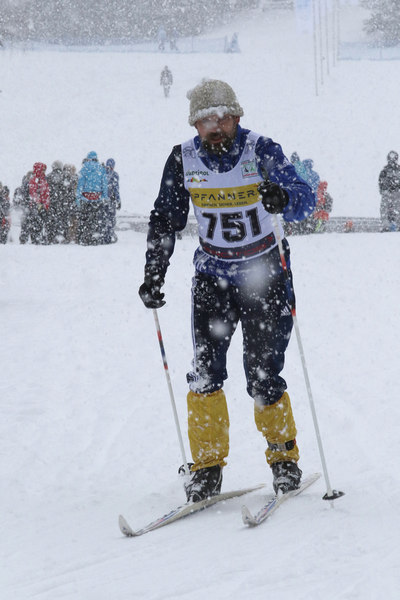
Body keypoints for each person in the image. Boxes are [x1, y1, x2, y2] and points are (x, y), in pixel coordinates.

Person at [138, 79, 316, 502]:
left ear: (236, 116)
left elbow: (306, 200)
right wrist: (154, 271)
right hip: (213, 278)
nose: (214, 127)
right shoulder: (182, 158)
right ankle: (206, 468)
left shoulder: (261, 150)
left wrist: (283, 197)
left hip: (265, 275)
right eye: (205, 120)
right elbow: (165, 219)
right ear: (194, 125)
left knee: (263, 374)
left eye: (221, 117)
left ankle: (284, 459)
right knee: (204, 374)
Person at [76, 151, 108, 245]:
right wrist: (104, 197)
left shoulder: (84, 169)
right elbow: (104, 185)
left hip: (85, 197)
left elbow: (80, 185)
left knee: (84, 219)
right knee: (95, 219)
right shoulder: (101, 169)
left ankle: (84, 238)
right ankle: (94, 237)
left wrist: (78, 198)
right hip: (97, 197)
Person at [28, 162, 50, 244]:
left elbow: (46, 193)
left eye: (44, 170)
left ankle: (42, 237)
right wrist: (38, 203)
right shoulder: (34, 180)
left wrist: (46, 204)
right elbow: (33, 193)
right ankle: (36, 238)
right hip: (36, 205)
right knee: (36, 222)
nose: (44, 171)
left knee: (43, 222)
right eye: (42, 169)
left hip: (43, 205)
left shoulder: (44, 180)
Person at [379, 150, 400, 232]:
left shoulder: (385, 170)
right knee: (387, 210)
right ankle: (387, 226)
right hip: (390, 193)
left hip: (394, 193)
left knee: (391, 209)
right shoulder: (384, 171)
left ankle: (391, 226)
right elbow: (380, 182)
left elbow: (380, 182)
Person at [47, 160, 64, 243]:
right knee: (61, 219)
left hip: (51, 201)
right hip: (61, 201)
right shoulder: (64, 176)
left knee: (51, 219)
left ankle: (51, 236)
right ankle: (60, 236)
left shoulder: (48, 176)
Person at [104, 158, 121, 244]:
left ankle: (103, 235)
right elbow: (116, 189)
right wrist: (118, 200)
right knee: (111, 218)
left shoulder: (102, 173)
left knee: (103, 218)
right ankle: (109, 235)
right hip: (111, 200)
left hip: (102, 200)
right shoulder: (114, 175)